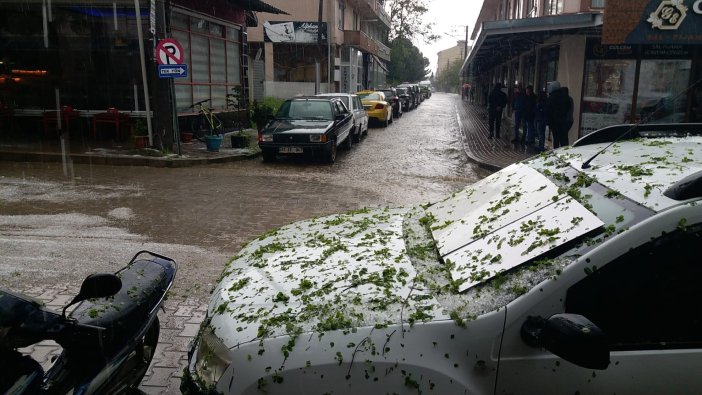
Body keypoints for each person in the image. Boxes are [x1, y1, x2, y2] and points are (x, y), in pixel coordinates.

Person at [546, 81, 574, 148]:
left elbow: (549, 111)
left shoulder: (552, 97)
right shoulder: (566, 97)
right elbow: (568, 108)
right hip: (564, 121)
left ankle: (556, 153)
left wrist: (549, 123)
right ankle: (565, 153)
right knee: (564, 139)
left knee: (556, 139)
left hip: (555, 122)